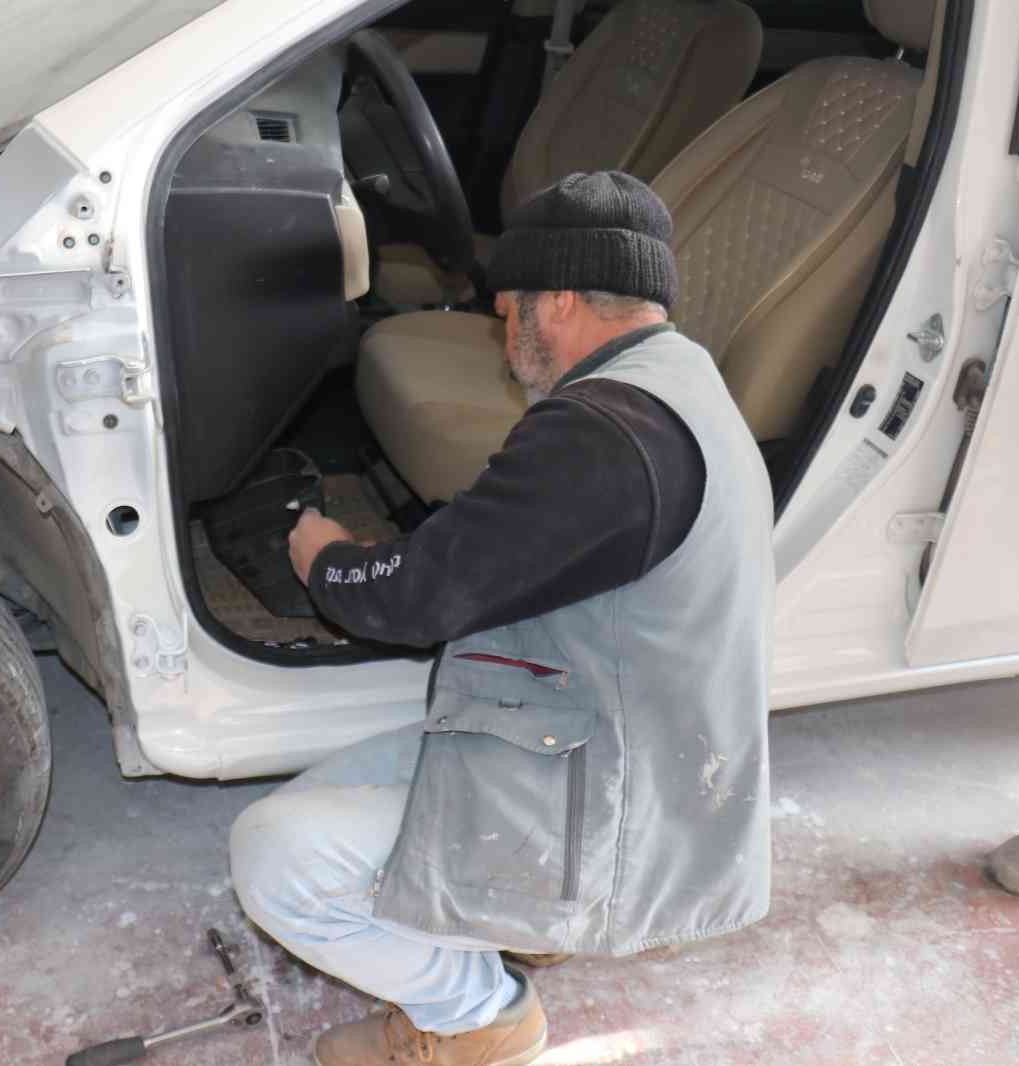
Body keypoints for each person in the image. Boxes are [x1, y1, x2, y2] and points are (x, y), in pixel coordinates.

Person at [229, 171, 776, 1066]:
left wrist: (326, 558)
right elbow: (512, 541)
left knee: (277, 858)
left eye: (509, 303)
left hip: (613, 799)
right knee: (320, 795)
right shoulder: (677, 380)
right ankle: (515, 923)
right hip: (629, 745)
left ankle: (480, 1017)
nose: (499, 321)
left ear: (557, 301)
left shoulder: (604, 436)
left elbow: (414, 598)